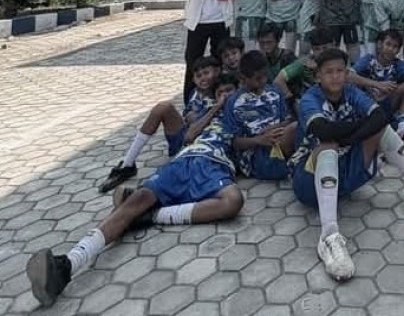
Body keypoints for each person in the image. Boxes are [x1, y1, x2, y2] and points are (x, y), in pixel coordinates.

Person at [27, 79, 243, 308]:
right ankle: (67, 264)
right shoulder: (206, 111)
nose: (225, 96)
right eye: (220, 92)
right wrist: (215, 108)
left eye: (230, 91)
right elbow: (188, 136)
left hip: (216, 165)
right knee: (136, 200)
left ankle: (151, 216)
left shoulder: (244, 114)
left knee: (233, 201)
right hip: (182, 161)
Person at [289, 48, 404, 282]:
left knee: (383, 130)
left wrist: (347, 137)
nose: (335, 76)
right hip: (308, 181)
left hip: (344, 170)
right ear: (318, 76)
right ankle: (329, 237)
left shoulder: (351, 92)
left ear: (347, 73)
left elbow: (380, 117)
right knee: (328, 146)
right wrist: (356, 131)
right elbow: (323, 131)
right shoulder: (310, 99)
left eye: (340, 71)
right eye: (329, 72)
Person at [98, 56, 222, 193]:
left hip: (208, 143)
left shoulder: (222, 90)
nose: (203, 78)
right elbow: (189, 118)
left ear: (217, 72)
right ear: (193, 79)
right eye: (198, 76)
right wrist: (192, 116)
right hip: (187, 139)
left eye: (206, 73)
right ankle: (127, 164)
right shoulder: (195, 93)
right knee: (163, 107)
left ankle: (149, 190)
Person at [224, 51, 297, 180]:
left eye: (265, 75)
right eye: (258, 78)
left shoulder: (275, 92)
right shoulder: (234, 102)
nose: (263, 80)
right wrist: (259, 139)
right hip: (256, 154)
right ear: (243, 78)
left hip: (280, 139)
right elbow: (234, 142)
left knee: (299, 126)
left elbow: (287, 120)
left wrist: (272, 129)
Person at [350, 29, 404, 136]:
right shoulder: (368, 60)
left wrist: (390, 91)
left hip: (388, 104)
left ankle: (403, 126)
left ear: (398, 50)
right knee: (352, 86)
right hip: (368, 104)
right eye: (388, 44)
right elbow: (349, 75)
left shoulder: (398, 64)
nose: (390, 49)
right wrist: (378, 85)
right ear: (379, 44)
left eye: (395, 46)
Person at [275, 26, 336, 105]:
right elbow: (279, 80)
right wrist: (291, 99)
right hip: (310, 103)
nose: (321, 52)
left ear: (333, 44)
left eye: (325, 48)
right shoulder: (305, 63)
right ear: (312, 48)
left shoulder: (341, 61)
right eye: (317, 49)